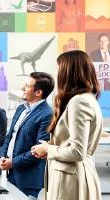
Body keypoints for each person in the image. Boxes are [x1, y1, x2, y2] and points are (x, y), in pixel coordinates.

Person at [31, 50, 103, 200]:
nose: (57, 74)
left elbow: (77, 152)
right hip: (72, 176)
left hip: (71, 180)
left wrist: (48, 148)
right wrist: (51, 146)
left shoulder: (79, 101)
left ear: (68, 72)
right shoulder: (87, 98)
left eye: (59, 69)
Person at [0, 72, 54, 198]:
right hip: (10, 173)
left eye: (27, 86)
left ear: (38, 92)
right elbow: (9, 136)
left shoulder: (47, 114)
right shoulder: (21, 108)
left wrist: (13, 162)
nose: (23, 88)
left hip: (28, 179)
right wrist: (2, 156)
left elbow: (39, 150)